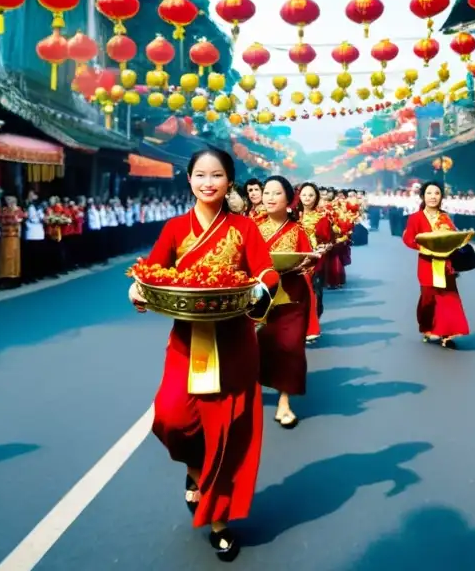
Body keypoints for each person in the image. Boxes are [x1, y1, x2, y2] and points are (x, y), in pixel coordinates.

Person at [128, 148, 279, 561]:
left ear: (229, 180)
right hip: (186, 339)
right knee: (172, 418)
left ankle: (220, 520)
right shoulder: (176, 228)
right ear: (189, 180)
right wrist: (138, 288)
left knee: (227, 433)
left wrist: (260, 288)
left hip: (234, 342)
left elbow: (265, 272)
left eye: (216, 175)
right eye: (200, 175)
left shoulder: (244, 229)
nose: (208, 182)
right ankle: (196, 470)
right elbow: (153, 270)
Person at [256, 175, 314, 429]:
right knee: (260, 346)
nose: (269, 197)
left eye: (275, 193)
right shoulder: (251, 226)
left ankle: (284, 400)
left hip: (292, 297)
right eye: (266, 192)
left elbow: (309, 259)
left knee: (290, 347)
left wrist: (309, 263)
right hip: (258, 296)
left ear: (289, 199)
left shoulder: (298, 230)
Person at [402, 181, 471, 348]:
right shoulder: (415, 218)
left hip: (445, 263)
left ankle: (447, 333)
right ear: (423, 196)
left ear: (441, 197)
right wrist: (422, 247)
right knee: (428, 297)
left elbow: (453, 236)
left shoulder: (445, 217)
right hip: (427, 263)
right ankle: (427, 326)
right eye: (429, 193)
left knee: (448, 297)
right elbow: (408, 238)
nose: (433, 197)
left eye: (437, 193)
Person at [297, 182, 333, 344]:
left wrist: (323, 249)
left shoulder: (322, 218)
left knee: (315, 292)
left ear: (316, 197)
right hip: (296, 259)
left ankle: (313, 324)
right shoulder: (292, 215)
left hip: (314, 260)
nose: (307, 198)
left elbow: (328, 240)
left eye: (311, 195)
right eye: (304, 195)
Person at [0, 194, 25, 288]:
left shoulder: (18, 210)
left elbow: (19, 220)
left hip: (13, 236)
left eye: (10, 199)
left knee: (12, 257)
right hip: (4, 236)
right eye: (7, 199)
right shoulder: (3, 210)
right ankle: (3, 278)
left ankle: (13, 278)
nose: (9, 201)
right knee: (3, 257)